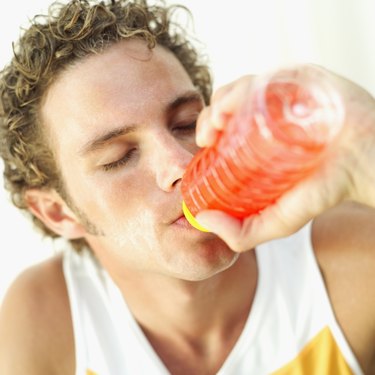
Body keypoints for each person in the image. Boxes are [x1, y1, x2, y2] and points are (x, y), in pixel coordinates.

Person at [0, 0, 374, 374]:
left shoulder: (341, 259)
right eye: (119, 157)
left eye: (185, 123)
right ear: (58, 212)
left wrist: (364, 147)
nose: (180, 164)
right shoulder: (47, 324)